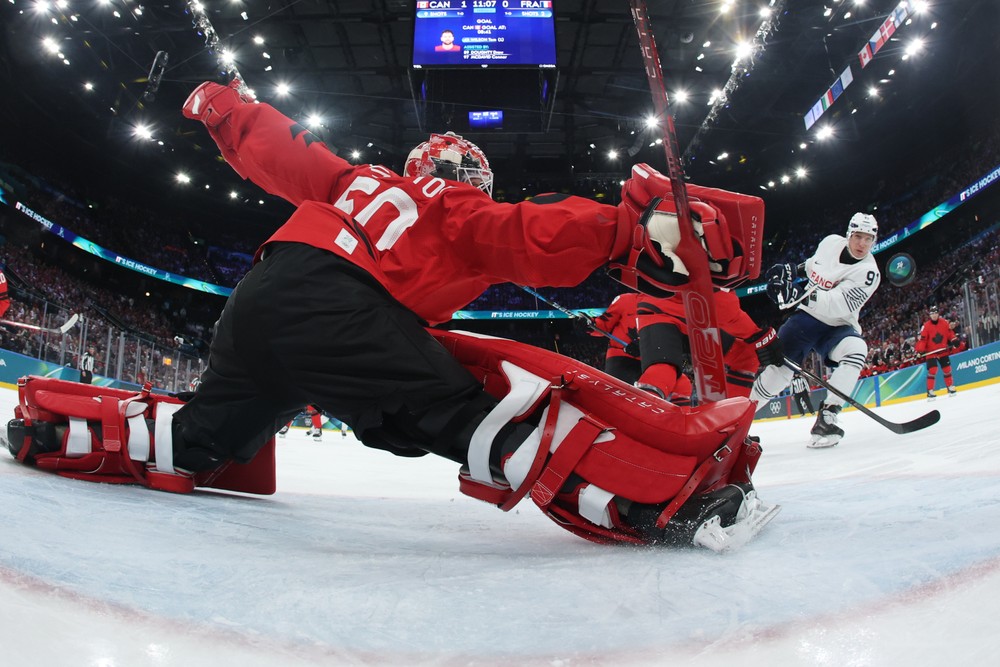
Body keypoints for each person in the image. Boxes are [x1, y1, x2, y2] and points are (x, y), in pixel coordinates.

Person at [6, 80, 779, 549]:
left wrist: (228, 112)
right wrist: (624, 230)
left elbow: (284, 149)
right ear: (462, 174)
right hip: (338, 307)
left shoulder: (354, 178)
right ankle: (656, 504)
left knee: (207, 437)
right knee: (472, 412)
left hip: (262, 300)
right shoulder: (455, 206)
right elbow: (524, 232)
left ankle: (62, 430)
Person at [749, 212, 881, 448]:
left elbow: (838, 304)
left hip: (838, 325)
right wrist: (790, 271)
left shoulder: (869, 273)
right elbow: (812, 266)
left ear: (874, 241)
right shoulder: (830, 242)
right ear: (849, 234)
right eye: (858, 236)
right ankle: (738, 422)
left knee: (856, 349)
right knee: (777, 373)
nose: (862, 243)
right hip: (806, 319)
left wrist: (798, 294)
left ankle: (828, 416)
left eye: (868, 239)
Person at [588, 292, 642, 386]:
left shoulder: (667, 304)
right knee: (613, 391)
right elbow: (604, 325)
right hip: (621, 356)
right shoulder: (626, 299)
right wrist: (590, 325)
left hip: (653, 360)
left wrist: (646, 346)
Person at [915, 305, 959, 399]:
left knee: (947, 369)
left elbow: (950, 333)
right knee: (933, 370)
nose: (934, 315)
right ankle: (930, 390)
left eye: (935, 313)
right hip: (931, 352)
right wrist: (920, 351)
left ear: (938, 314)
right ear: (930, 315)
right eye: (932, 314)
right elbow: (923, 340)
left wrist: (954, 339)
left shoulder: (944, 323)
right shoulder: (926, 326)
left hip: (943, 350)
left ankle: (950, 386)